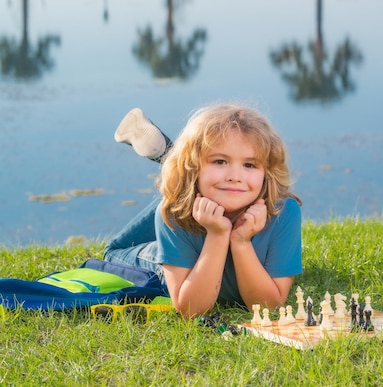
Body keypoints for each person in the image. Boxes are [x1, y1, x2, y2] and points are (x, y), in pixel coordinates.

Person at [103, 103, 303, 319]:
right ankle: (179, 169)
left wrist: (241, 242)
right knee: (114, 252)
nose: (235, 176)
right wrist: (217, 235)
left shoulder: (283, 212)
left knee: (189, 184)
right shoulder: (174, 215)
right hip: (171, 253)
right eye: (220, 161)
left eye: (250, 165)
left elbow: (268, 307)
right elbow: (192, 311)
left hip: (199, 187)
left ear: (267, 172)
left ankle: (174, 161)